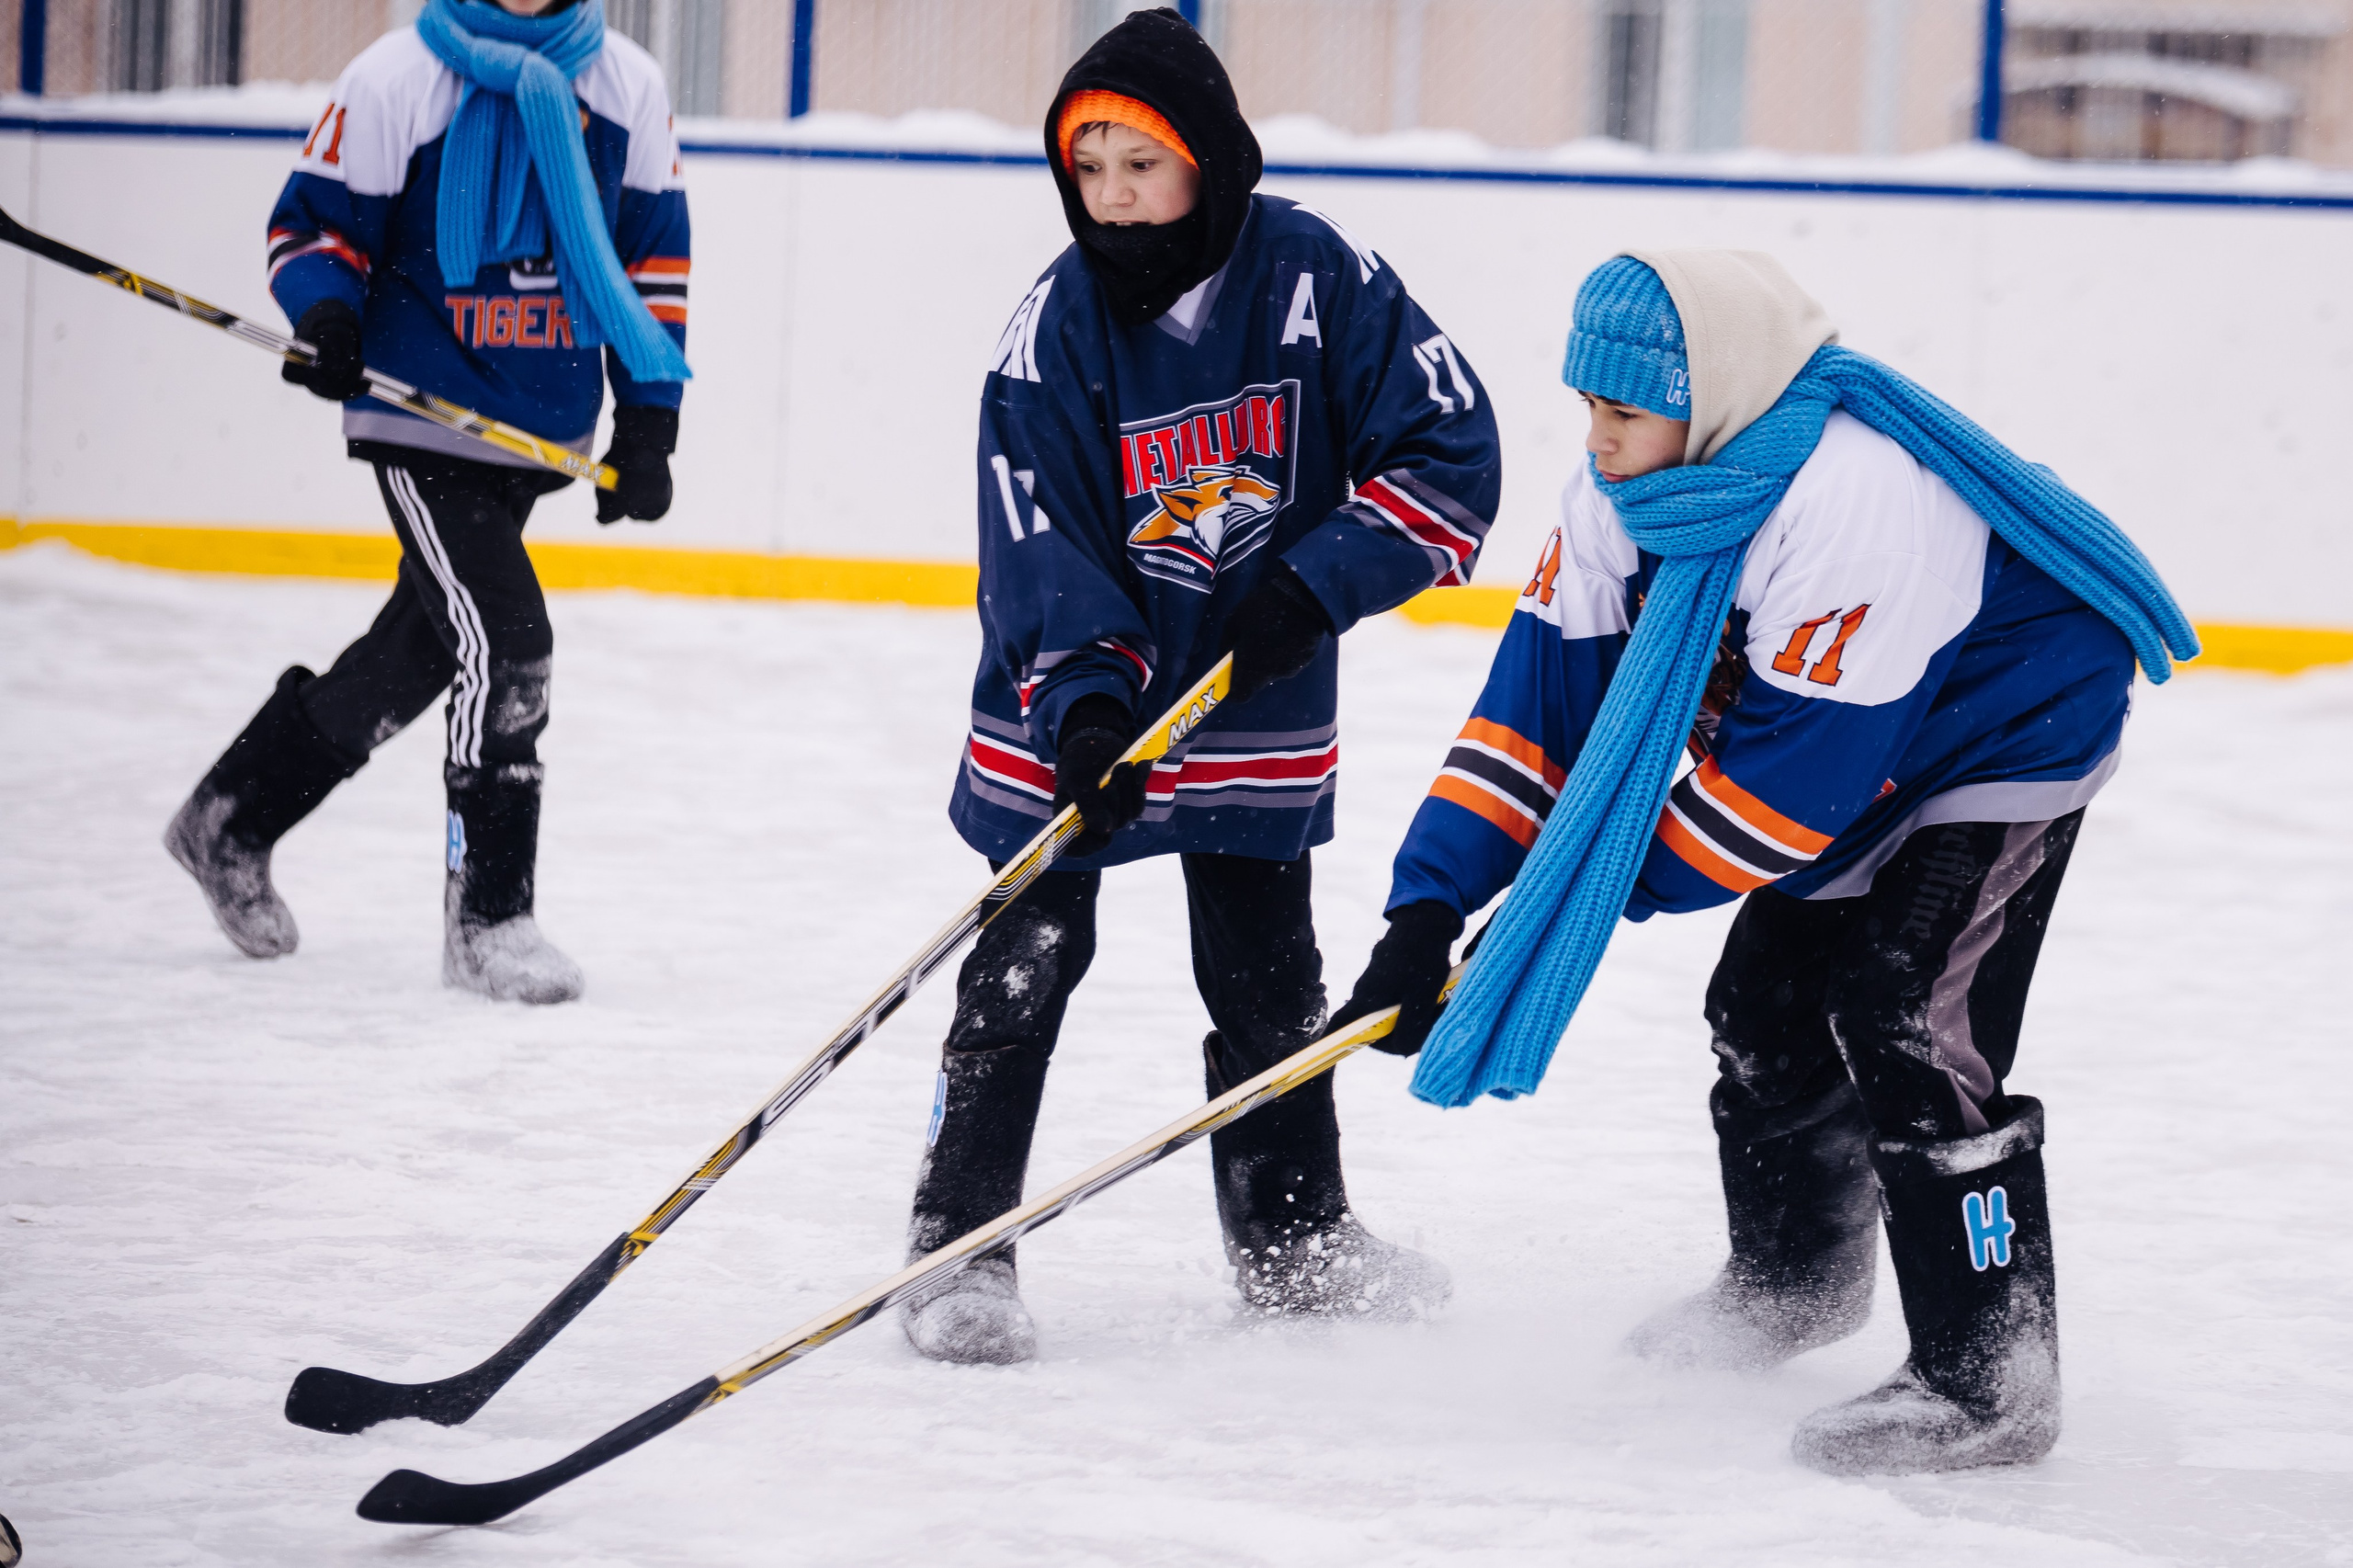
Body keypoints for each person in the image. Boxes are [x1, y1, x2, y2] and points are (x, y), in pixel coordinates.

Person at [1334, 251, 2195, 1475]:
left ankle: (1989, 1374)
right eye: (1587, 406)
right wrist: (1425, 914)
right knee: (1760, 1006)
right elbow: (1528, 721)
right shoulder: (1616, 500)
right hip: (1843, 743)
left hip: (2004, 732)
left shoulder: (1859, 505)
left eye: (1624, 412)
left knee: (1903, 1012)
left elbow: (1780, 807)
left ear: (1719, 395)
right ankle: (1792, 1280)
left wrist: (1558, 912)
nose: (1597, 440)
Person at [904, 7, 1502, 1364]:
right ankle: (957, 1249)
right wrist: (1092, 708)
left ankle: (1295, 1241)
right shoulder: (1050, 330)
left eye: (1142, 165)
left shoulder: (1317, 274)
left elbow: (1449, 444)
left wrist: (1320, 577)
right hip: (1074, 707)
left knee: (1267, 972)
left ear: (1211, 160)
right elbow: (1037, 536)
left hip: (1252, 693)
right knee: (1025, 963)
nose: (1112, 199)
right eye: (1090, 169)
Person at [164, 0, 688, 1004]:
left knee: (423, 648)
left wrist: (650, 419)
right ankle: (489, 917)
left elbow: (651, 259)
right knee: (510, 640)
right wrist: (325, 311)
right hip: (420, 414)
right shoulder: (397, 78)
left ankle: (231, 816)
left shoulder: (626, 86)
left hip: (537, 422)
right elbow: (312, 225)